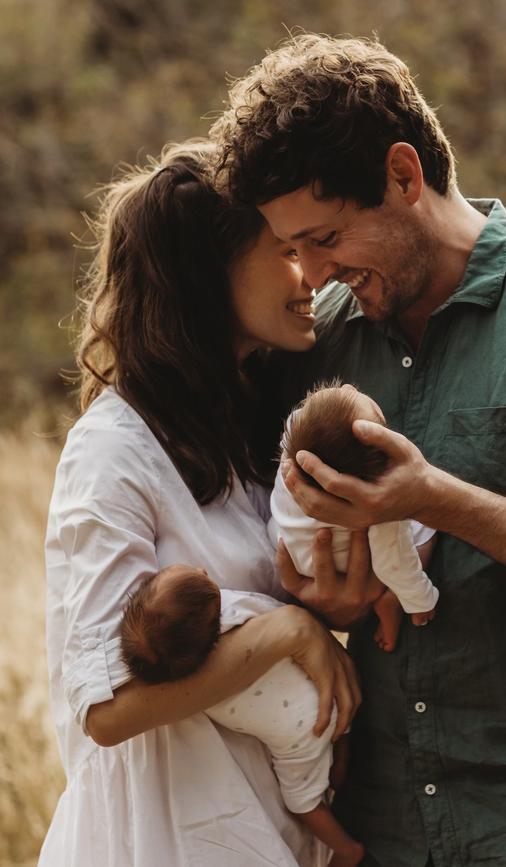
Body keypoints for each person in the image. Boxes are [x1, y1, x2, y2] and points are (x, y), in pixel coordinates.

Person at [212, 34, 506, 867]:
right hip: (389, 834)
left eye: (326, 236)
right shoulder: (319, 346)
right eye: (292, 249)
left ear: (404, 176)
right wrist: (322, 603)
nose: (312, 273)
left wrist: (436, 499)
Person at [40, 139, 361, 867]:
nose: (311, 274)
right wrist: (287, 634)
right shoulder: (112, 450)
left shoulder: (250, 429)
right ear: (205, 276)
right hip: (161, 840)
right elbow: (108, 709)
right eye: (284, 251)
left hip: (265, 831)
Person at [119, 562, 365, 866]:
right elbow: (276, 613)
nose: (201, 568)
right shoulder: (241, 610)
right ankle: (346, 811)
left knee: (303, 802)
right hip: (323, 690)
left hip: (302, 731)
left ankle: (344, 848)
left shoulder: (188, 681)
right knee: (339, 738)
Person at [268, 381, 438, 651]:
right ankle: (392, 599)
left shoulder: (294, 439)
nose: (350, 387)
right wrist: (419, 599)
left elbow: (323, 422)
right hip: (342, 565)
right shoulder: (376, 501)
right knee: (422, 524)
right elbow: (390, 561)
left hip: (292, 549)